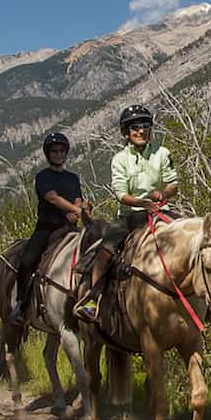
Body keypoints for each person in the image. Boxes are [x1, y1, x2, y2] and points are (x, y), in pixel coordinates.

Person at [74, 104, 179, 319]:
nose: (141, 131)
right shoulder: (120, 159)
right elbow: (121, 194)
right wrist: (143, 203)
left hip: (161, 212)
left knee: (195, 239)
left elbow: (173, 183)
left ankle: (203, 299)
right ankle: (93, 298)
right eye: (135, 127)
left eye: (145, 126)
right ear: (126, 133)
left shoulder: (162, 153)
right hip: (130, 216)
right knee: (106, 250)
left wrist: (163, 193)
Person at [9, 132, 88, 324]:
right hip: (47, 228)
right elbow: (52, 198)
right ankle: (21, 303)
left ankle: (89, 299)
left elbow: (77, 197)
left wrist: (77, 211)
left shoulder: (72, 178)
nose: (58, 154)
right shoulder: (43, 177)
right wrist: (76, 210)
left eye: (61, 151)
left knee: (90, 254)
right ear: (48, 154)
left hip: (69, 227)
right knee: (28, 260)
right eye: (54, 151)